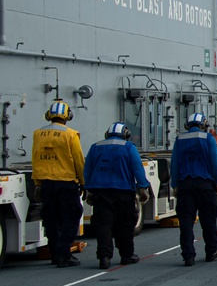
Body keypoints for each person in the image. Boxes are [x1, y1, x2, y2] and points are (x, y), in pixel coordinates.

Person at [83, 122, 151, 269]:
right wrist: (143, 187)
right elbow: (137, 168)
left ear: (107, 134)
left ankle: (104, 256)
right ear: (126, 134)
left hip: (101, 192)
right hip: (123, 192)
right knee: (125, 225)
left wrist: (88, 190)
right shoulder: (128, 147)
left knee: (103, 225)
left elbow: (87, 169)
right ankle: (127, 255)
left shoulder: (95, 147)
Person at [31, 100, 85, 268]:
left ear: (49, 115)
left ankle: (55, 254)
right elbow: (78, 160)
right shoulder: (70, 134)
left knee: (51, 218)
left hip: (46, 183)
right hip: (66, 183)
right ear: (68, 116)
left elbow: (36, 159)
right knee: (72, 215)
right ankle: (64, 255)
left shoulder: (38, 134)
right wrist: (84, 182)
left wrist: (38, 183)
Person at [170, 112, 217, 266]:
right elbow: (215, 162)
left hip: (185, 185)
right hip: (204, 184)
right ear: (204, 125)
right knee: (208, 219)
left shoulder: (179, 139)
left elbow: (174, 163)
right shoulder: (208, 139)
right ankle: (211, 250)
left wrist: (175, 185)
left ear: (188, 125)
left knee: (186, 221)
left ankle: (188, 255)